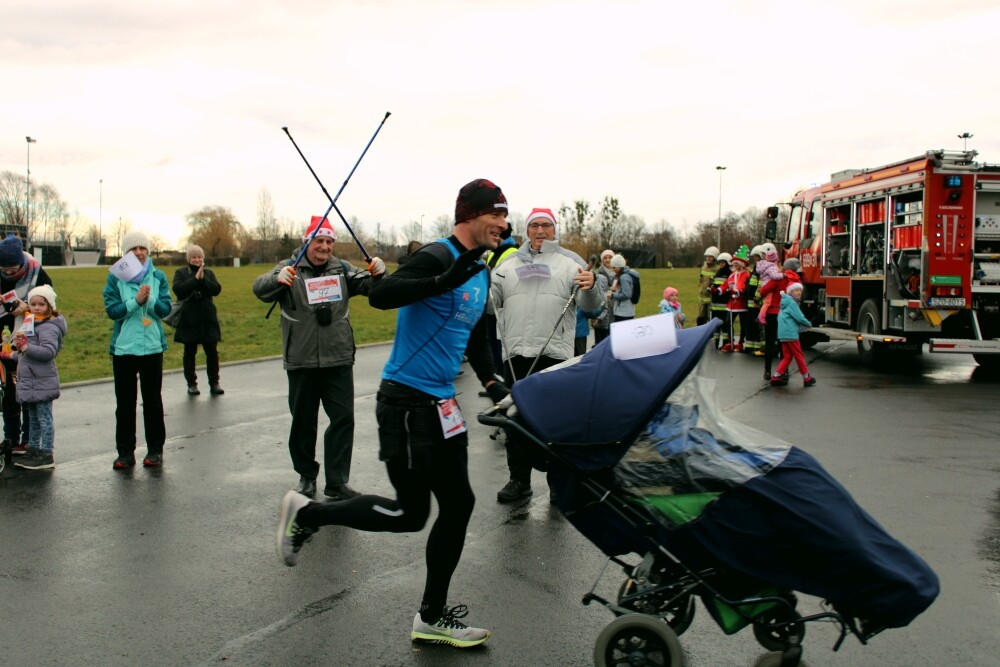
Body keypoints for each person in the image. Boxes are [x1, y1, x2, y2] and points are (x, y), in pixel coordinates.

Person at [274, 178, 511, 649]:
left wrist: (493, 382)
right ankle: (309, 513)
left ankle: (431, 615)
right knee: (410, 513)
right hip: (405, 402)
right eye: (496, 214)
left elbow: (478, 337)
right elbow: (381, 295)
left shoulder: (481, 269)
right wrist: (445, 279)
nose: (504, 224)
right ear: (469, 215)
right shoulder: (439, 257)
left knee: (459, 504)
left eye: (506, 215)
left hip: (443, 403)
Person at [252, 216, 386, 500]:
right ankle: (306, 476)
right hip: (301, 360)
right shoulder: (289, 268)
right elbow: (259, 288)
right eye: (318, 241)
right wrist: (277, 279)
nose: (324, 247)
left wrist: (378, 273)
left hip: (338, 358)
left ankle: (337, 482)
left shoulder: (343, 270)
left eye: (328, 242)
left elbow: (373, 290)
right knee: (303, 421)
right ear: (307, 243)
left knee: (343, 419)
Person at [490, 207, 601, 502]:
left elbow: (591, 305)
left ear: (555, 230)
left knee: (556, 422)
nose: (540, 231)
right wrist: (476, 283)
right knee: (516, 420)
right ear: (526, 231)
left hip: (555, 354)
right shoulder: (507, 264)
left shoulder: (571, 262)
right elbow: (490, 305)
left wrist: (590, 288)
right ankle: (519, 480)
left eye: (546, 226)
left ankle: (558, 484)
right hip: (516, 355)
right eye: (535, 226)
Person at [103, 230, 171, 469]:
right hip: (124, 350)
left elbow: (165, 309)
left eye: (143, 249)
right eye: (134, 249)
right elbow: (112, 310)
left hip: (152, 348)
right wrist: (135, 302)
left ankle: (155, 450)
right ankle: (125, 452)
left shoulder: (158, 276)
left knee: (152, 401)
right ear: (126, 254)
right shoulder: (115, 278)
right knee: (124, 403)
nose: (139, 253)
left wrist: (149, 300)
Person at [0, 234, 52, 457]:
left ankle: (29, 439)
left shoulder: (37, 273)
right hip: (4, 344)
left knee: (28, 392)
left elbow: (49, 309)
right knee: (9, 393)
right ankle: (11, 438)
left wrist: (27, 309)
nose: (9, 272)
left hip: (29, 342)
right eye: (4, 267)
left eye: (13, 267)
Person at [9, 285, 65, 471]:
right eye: (33, 304)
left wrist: (25, 348)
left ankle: (46, 453)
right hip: (30, 381)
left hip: (42, 380)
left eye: (41, 304)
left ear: (49, 305)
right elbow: (25, 353)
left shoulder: (49, 326)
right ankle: (33, 450)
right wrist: (12, 354)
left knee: (44, 418)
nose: (36, 307)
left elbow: (48, 352)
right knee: (32, 418)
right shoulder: (30, 323)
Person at [172, 245, 224, 396]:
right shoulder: (181, 273)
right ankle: (191, 384)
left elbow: (216, 289)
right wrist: (195, 279)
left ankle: (214, 383)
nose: (197, 259)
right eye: (194, 257)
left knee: (212, 353)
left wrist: (203, 280)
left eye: (199, 257)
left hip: (207, 319)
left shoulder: (209, 273)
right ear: (189, 259)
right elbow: (178, 289)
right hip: (189, 319)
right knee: (189, 353)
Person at [758, 257, 802, 381]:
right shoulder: (796, 282)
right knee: (784, 344)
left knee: (770, 342)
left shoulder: (778, 278)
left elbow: (763, 291)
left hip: (773, 313)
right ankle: (784, 371)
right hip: (788, 316)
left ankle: (767, 370)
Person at [771, 282, 816, 387]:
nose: (799, 292)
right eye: (796, 290)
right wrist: (808, 324)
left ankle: (776, 376)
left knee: (787, 356)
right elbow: (799, 317)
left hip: (783, 333)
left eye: (800, 290)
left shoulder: (785, 302)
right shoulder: (792, 303)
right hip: (791, 333)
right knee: (799, 355)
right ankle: (806, 377)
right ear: (790, 292)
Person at [721, 246, 752, 352]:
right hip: (731, 304)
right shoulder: (732, 275)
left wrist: (738, 291)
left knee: (743, 323)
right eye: (734, 263)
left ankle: (740, 342)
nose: (735, 265)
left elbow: (744, 286)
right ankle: (730, 341)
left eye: (737, 263)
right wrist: (719, 290)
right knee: (728, 322)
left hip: (741, 303)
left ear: (742, 264)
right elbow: (725, 284)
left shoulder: (746, 275)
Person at [592, 249, 616, 347]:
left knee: (612, 344)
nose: (608, 260)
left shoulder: (618, 273)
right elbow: (597, 294)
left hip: (614, 312)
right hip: (601, 313)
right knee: (600, 345)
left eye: (610, 257)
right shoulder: (599, 274)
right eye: (605, 258)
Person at [710, 252, 732, 346]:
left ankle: (726, 343)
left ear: (727, 263)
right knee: (716, 325)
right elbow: (713, 284)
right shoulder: (717, 273)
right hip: (715, 304)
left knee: (724, 325)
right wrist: (711, 289)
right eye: (720, 262)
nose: (721, 264)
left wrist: (721, 291)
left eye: (723, 262)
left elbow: (729, 287)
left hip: (724, 304)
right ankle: (716, 341)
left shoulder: (730, 274)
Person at [609, 254, 637, 321]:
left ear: (619, 266)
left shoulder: (623, 277)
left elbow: (626, 294)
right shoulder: (629, 274)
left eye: (614, 267)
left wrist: (613, 295)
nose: (613, 270)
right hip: (629, 311)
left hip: (623, 313)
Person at [696, 246, 720, 326]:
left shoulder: (717, 269)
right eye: (707, 257)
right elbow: (701, 281)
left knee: (711, 317)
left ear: (715, 257)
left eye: (710, 257)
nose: (708, 258)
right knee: (701, 317)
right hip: (702, 298)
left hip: (711, 298)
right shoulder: (704, 267)